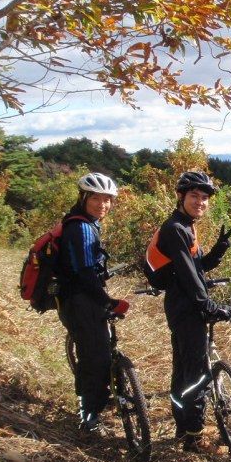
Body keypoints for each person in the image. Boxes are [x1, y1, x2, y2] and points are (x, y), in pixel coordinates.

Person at [145, 171, 231, 453]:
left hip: (183, 303)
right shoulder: (175, 229)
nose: (201, 202)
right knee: (196, 372)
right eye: (195, 196)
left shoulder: (185, 226)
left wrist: (218, 251)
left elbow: (195, 269)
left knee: (184, 369)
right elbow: (187, 274)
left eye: (205, 198)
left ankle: (184, 427)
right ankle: (194, 435)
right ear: (181, 196)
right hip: (185, 307)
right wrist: (206, 305)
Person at [57, 172, 127, 435]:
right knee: (95, 358)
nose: (102, 204)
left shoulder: (87, 223)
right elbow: (83, 273)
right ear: (83, 197)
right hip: (78, 302)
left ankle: (97, 396)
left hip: (81, 298)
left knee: (99, 349)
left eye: (107, 199)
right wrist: (107, 301)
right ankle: (88, 414)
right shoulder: (81, 227)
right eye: (96, 198)